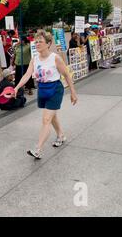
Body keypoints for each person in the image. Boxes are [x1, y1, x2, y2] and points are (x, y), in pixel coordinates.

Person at [14, 30, 78, 160]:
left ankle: (38, 149)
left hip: (55, 89)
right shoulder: (34, 59)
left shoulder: (55, 58)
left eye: (40, 41)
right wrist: (16, 87)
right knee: (52, 116)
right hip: (42, 89)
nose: (37, 44)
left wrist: (73, 92)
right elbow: (27, 75)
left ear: (48, 44)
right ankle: (61, 135)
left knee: (46, 119)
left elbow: (66, 74)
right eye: (36, 41)